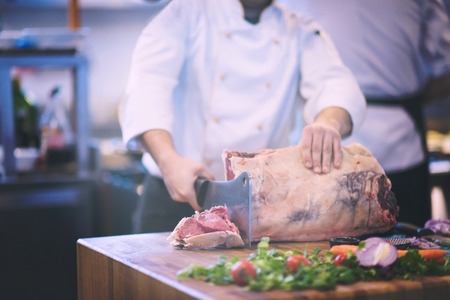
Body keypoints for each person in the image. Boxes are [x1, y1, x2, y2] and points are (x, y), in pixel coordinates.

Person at [119, 0, 366, 233]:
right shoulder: (187, 11)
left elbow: (337, 85)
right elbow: (147, 86)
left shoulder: (300, 28)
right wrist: (168, 160)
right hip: (177, 196)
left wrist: (328, 121)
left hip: (260, 207)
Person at [279, 0, 450, 226]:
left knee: (338, 250)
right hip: (348, 141)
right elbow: (445, 68)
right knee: (410, 246)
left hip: (340, 151)